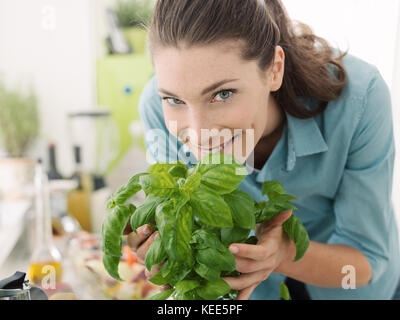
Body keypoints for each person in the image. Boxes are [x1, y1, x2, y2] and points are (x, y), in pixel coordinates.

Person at [127, 0, 400, 300]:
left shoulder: (359, 100)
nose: (198, 133)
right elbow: (188, 233)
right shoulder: (155, 110)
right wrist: (166, 250)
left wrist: (283, 256)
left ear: (274, 69)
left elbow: (365, 261)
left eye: (223, 94)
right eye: (175, 100)